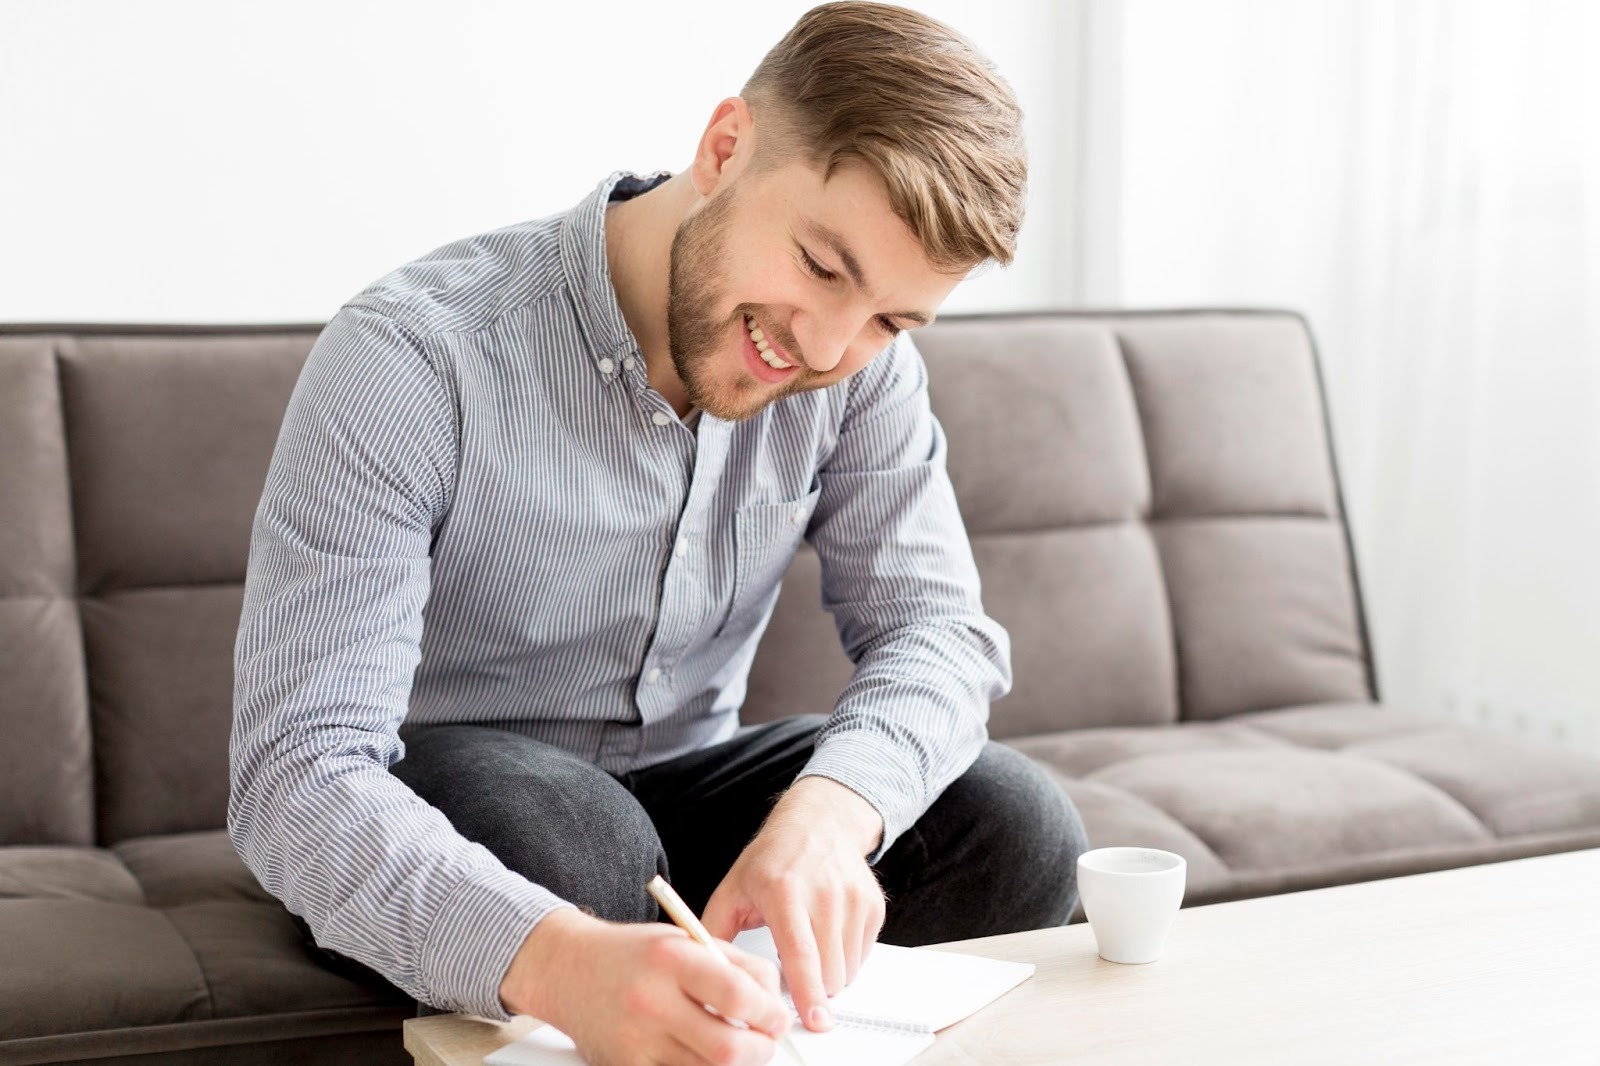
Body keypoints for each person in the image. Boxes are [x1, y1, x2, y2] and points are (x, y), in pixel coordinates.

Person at [229, 3, 1088, 1064]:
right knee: (579, 841)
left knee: (1007, 817)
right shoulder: (414, 359)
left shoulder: (859, 377)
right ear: (724, 148)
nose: (826, 345)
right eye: (822, 268)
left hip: (680, 801)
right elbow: (297, 772)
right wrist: (559, 959)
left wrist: (828, 813)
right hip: (469, 817)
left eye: (888, 319)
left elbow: (941, 636)